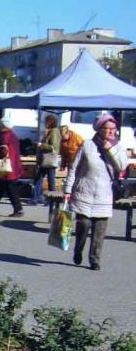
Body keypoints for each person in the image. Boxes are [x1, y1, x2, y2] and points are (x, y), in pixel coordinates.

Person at [64, 112, 128, 272]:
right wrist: (67, 189)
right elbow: (74, 168)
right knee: (83, 225)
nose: (111, 132)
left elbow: (121, 166)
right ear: (99, 129)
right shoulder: (87, 145)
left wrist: (109, 150)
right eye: (107, 128)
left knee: (99, 231)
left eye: (113, 129)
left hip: (104, 195)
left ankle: (94, 259)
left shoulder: (118, 147)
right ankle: (78, 249)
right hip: (84, 192)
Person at [0, 119, 24, 217]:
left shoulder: (4, 136)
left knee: (11, 190)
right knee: (1, 188)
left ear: (2, 125)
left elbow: (2, 151)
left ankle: (19, 210)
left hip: (6, 167)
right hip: (14, 165)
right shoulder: (13, 136)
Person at [33, 115, 61, 206]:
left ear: (50, 122)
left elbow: (53, 147)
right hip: (44, 160)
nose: (44, 124)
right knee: (39, 179)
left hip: (49, 160)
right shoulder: (49, 131)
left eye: (46, 121)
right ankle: (35, 198)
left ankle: (51, 200)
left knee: (50, 180)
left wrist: (42, 145)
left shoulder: (54, 131)